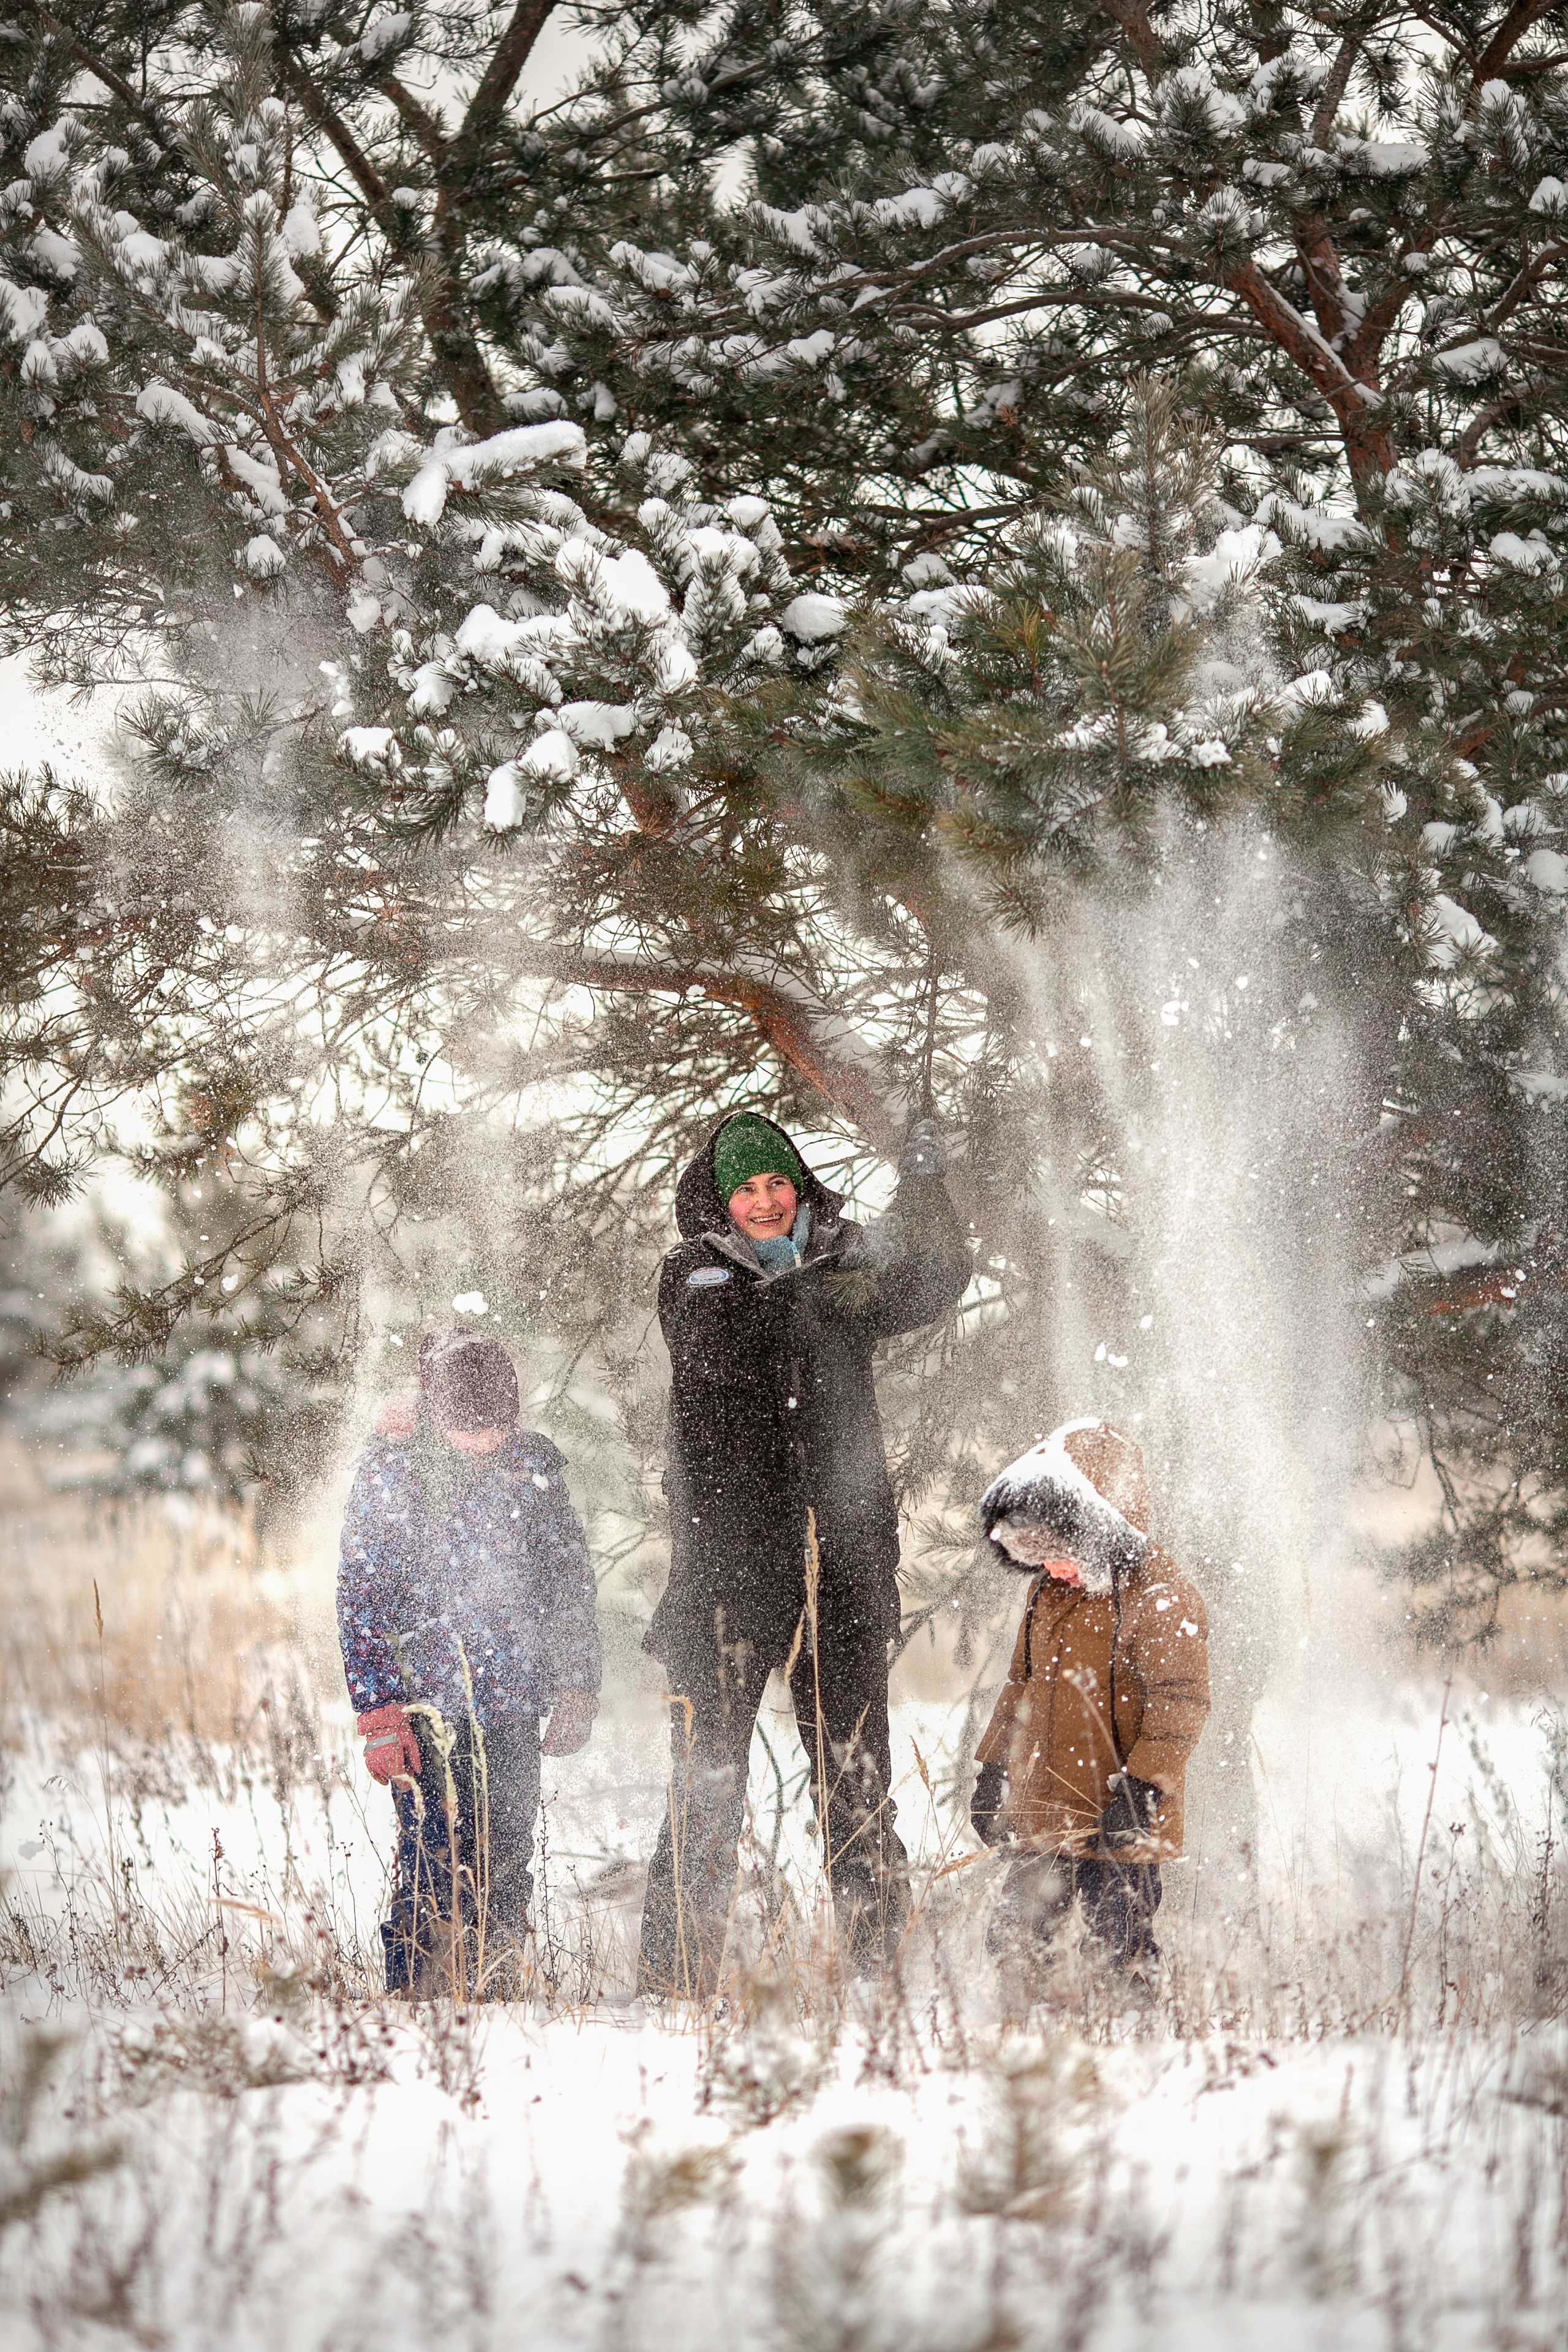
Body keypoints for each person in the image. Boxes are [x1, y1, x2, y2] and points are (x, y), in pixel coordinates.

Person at [639, 1107, 971, 1995]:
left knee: (855, 1771)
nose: (764, 1201)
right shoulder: (694, 1274)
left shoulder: (839, 1260)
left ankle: (875, 1970)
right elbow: (734, 1346)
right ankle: (675, 1976)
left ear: (800, 1186)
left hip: (843, 1561)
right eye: (745, 1188)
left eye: (778, 1182)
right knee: (707, 1777)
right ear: (720, 1199)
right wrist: (836, 1286)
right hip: (729, 1572)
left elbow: (934, 1276)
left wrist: (925, 1188)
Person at [337, 1329, 601, 1997]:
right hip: (426, 1708)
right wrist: (380, 1713)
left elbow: (568, 1584)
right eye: (468, 1429)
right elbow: (362, 1597)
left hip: (512, 1700)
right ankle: (419, 1993)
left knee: (506, 1853)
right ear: (438, 1416)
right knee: (432, 1855)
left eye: (496, 1428)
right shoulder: (395, 1473)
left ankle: (496, 1983)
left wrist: (577, 1685)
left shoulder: (532, 1468)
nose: (485, 1442)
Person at [969, 1418, 1209, 1991]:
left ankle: (1130, 2030)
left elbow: (1182, 1701)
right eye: (1038, 1554)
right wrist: (994, 1769)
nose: (1051, 1567)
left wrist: (1144, 1787)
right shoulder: (1046, 1592)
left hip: (1119, 1812)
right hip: (1045, 1806)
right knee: (1016, 1938)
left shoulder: (1158, 1593)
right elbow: (1020, 1686)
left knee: (1119, 1944)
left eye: (1061, 1552)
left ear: (1102, 1528)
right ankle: (1025, 2030)